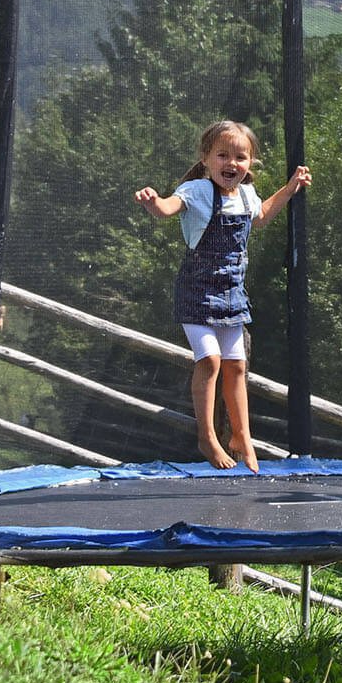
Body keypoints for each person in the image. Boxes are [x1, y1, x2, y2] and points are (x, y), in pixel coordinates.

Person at [135, 120, 311, 472]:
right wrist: (153, 203)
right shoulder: (197, 190)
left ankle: (241, 435)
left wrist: (290, 188)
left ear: (250, 163)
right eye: (222, 156)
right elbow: (169, 208)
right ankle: (208, 436)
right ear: (206, 159)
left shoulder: (246, 194)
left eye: (240, 157)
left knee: (237, 365)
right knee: (211, 361)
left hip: (232, 291)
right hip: (197, 291)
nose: (231, 164)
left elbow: (260, 217)